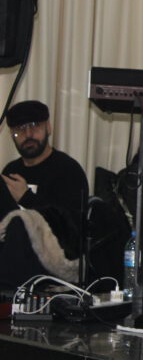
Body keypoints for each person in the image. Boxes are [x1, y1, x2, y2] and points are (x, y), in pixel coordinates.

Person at [1, 100, 89, 287]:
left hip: (55, 264)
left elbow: (70, 227)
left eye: (35, 126)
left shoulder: (68, 170)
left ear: (48, 127)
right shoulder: (10, 171)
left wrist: (27, 198)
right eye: (19, 130)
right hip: (13, 261)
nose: (28, 134)